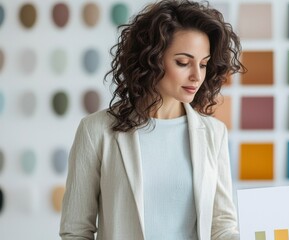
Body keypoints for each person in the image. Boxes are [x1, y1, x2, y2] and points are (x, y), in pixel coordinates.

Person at [59, 0, 245, 239]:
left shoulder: (214, 132)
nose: (196, 76)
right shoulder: (96, 130)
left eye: (203, 64)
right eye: (183, 62)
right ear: (152, 58)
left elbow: (222, 226)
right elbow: (76, 231)